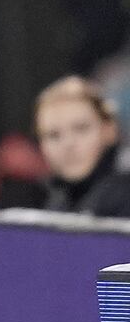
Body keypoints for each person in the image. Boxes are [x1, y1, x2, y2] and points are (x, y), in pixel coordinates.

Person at [35, 75, 130, 216]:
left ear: (109, 130)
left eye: (81, 128)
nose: (68, 144)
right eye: (53, 135)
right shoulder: (55, 204)